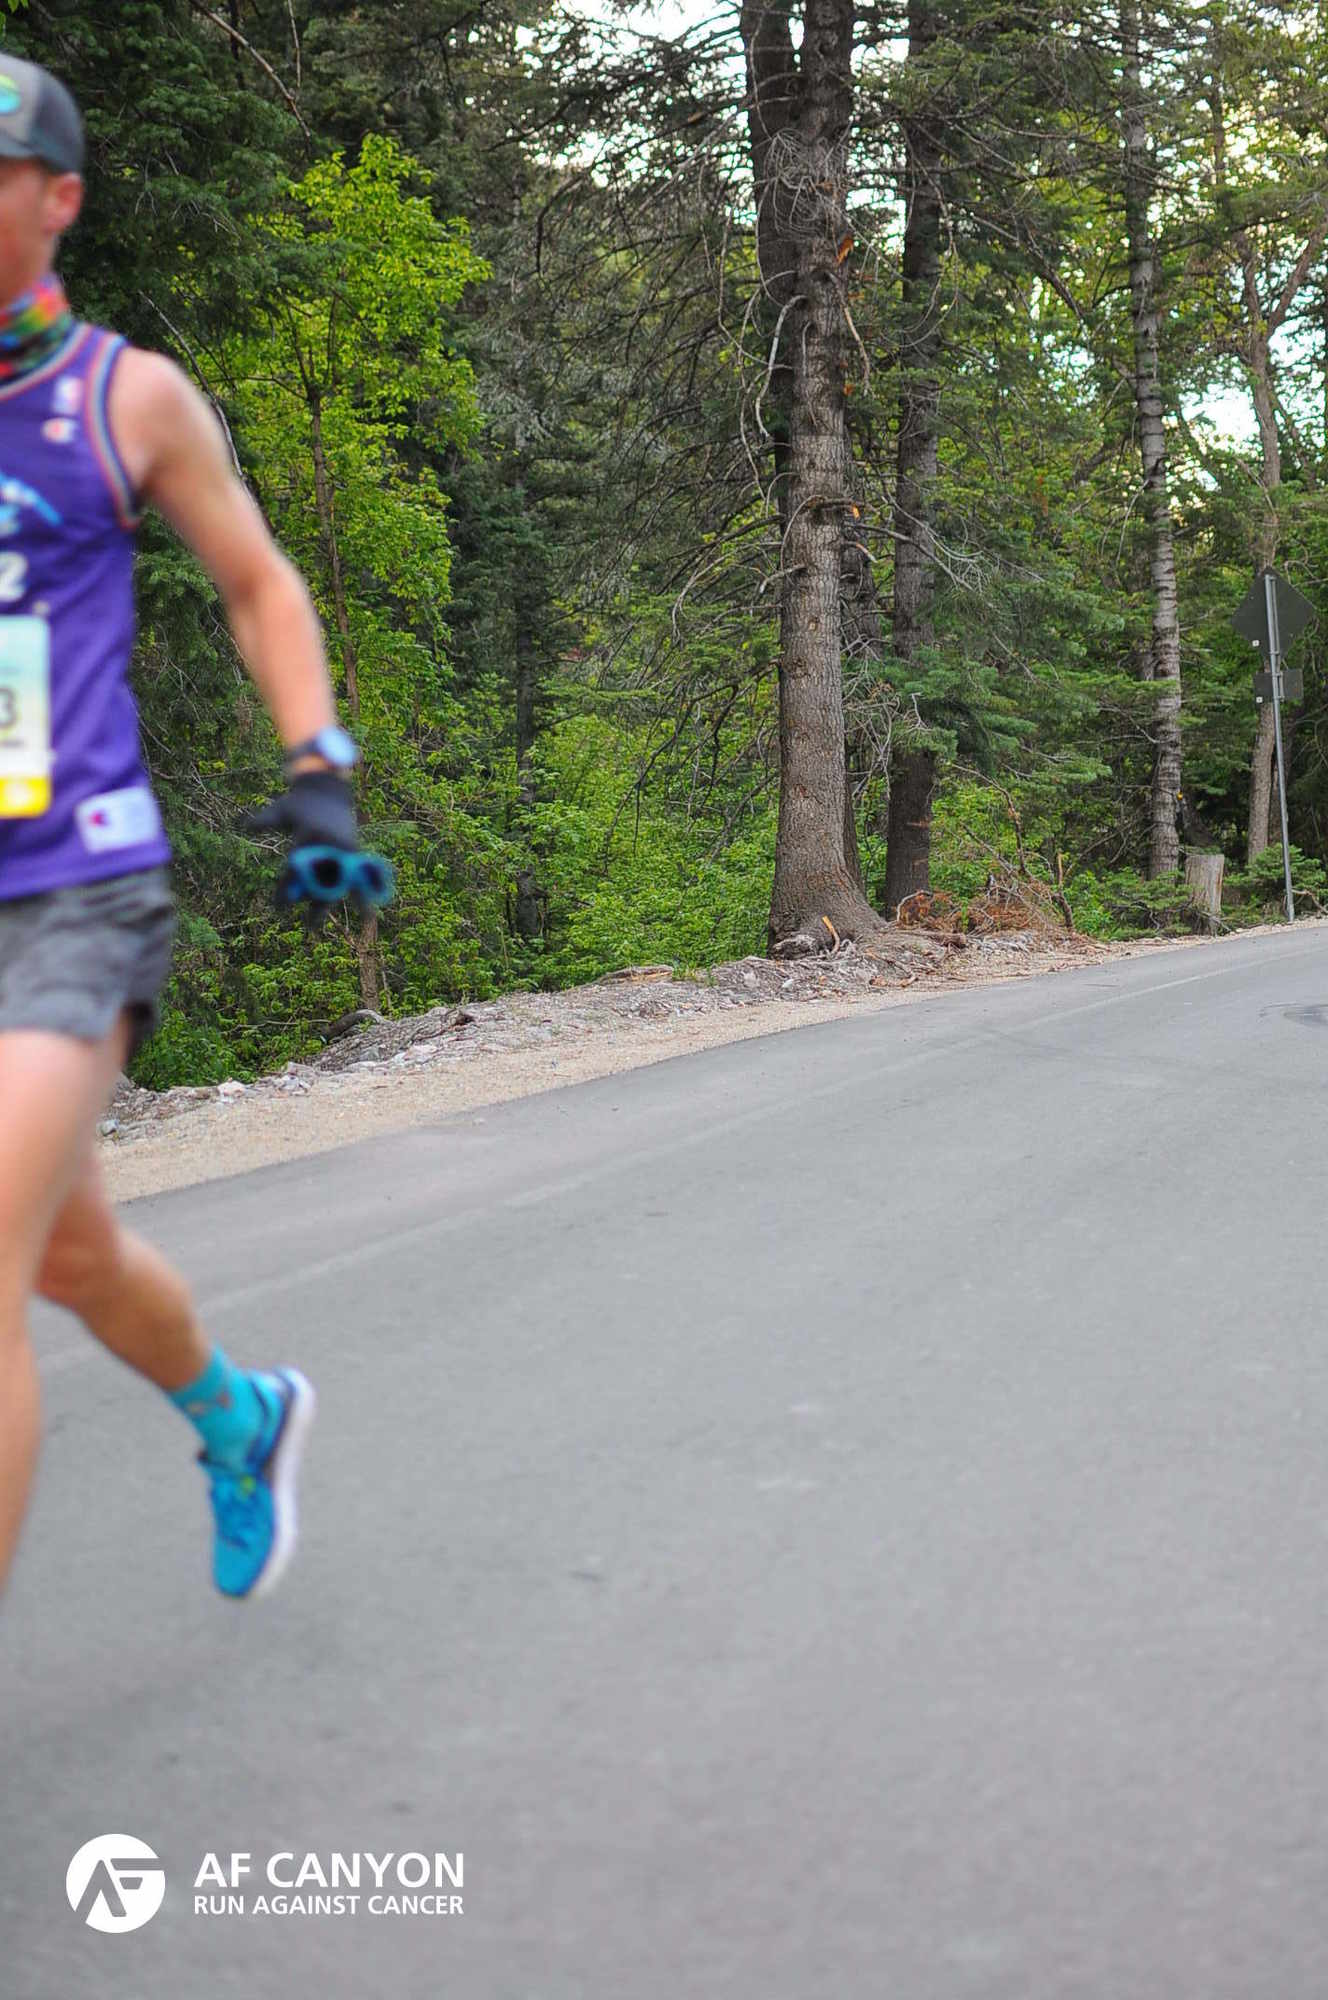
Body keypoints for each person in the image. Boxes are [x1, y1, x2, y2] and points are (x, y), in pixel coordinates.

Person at [0, 58, 370, 1601]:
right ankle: (240, 1417)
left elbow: (260, 580)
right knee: (67, 1254)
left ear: (59, 199)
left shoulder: (121, 396)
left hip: (74, 891)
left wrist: (317, 764)